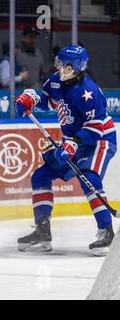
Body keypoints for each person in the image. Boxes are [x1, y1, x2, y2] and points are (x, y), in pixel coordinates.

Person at [15, 45, 117, 256]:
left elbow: (96, 126)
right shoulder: (55, 80)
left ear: (74, 67)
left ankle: (106, 230)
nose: (58, 66)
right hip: (74, 140)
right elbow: (47, 99)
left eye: (63, 64)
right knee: (41, 176)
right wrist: (31, 99)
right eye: (59, 62)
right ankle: (42, 231)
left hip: (99, 140)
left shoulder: (88, 92)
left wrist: (73, 144)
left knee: (89, 176)